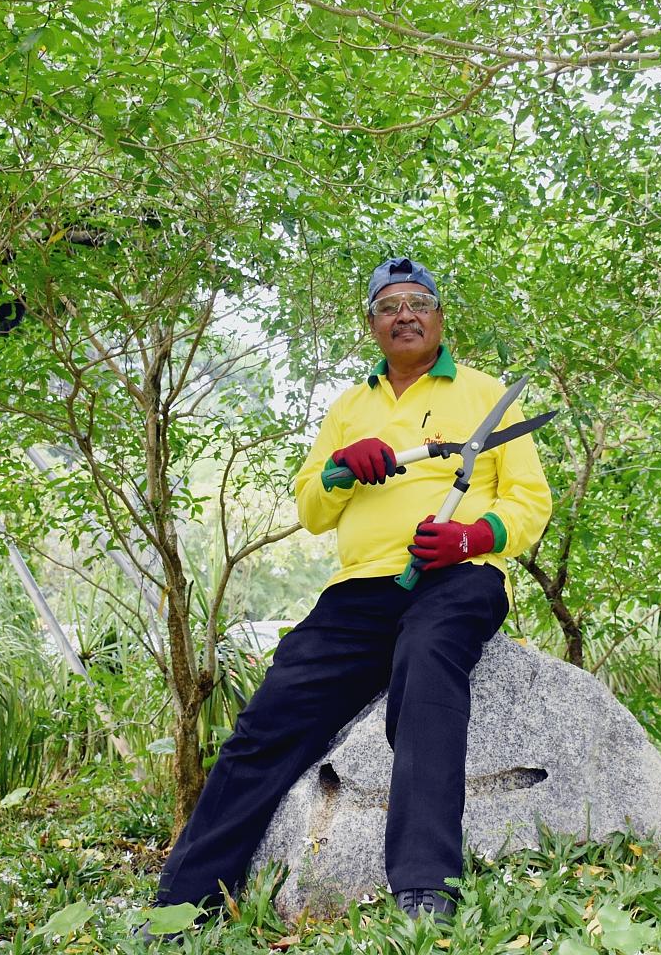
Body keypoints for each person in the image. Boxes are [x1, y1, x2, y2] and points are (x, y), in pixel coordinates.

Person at [151, 256, 552, 927]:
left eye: (418, 301)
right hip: (359, 591)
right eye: (390, 305)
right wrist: (339, 470)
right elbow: (311, 509)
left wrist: (473, 538)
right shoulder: (349, 406)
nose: (406, 313)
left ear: (440, 316)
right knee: (267, 720)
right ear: (372, 324)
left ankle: (426, 886)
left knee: (426, 667)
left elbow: (529, 504)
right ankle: (183, 903)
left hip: (457, 578)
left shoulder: (485, 392)